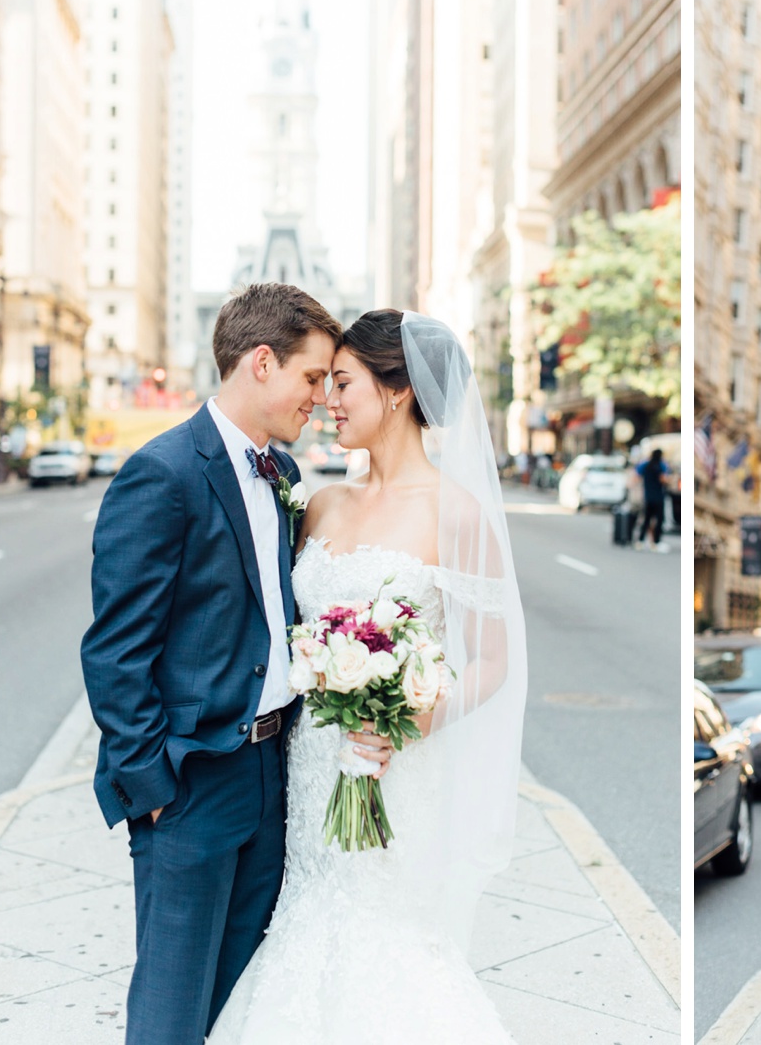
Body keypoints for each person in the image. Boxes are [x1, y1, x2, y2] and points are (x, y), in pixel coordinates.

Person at [207, 309, 526, 1043]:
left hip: (398, 771)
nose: (327, 400)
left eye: (342, 382)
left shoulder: (457, 513)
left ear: (398, 392)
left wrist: (417, 715)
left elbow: (494, 660)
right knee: (306, 926)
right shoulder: (319, 506)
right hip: (312, 770)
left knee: (389, 948)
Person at [80, 283, 346, 1045]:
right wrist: (153, 787)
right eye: (312, 377)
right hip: (190, 783)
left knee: (242, 1004)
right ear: (262, 363)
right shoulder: (163, 473)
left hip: (271, 776)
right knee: (172, 1010)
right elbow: (115, 649)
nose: (319, 398)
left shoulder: (284, 477)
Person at [636, 446, 669, 552]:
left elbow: (636, 476)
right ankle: (656, 542)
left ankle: (640, 541)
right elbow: (664, 480)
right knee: (659, 521)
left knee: (646, 520)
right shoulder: (661, 466)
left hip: (648, 497)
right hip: (659, 497)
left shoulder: (645, 465)